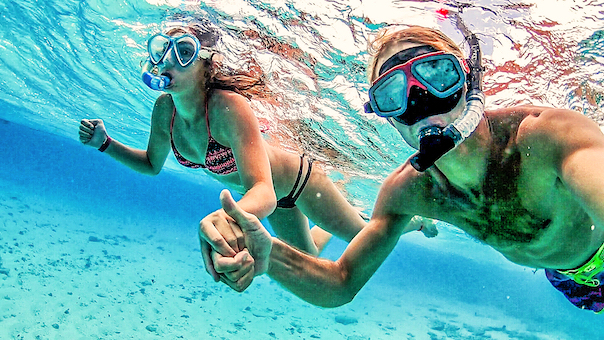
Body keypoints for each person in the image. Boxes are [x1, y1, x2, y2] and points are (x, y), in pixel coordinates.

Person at [203, 24, 604, 314]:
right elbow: (340, 283)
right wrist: (270, 255)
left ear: (467, 78)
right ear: (384, 114)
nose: (420, 99)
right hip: (564, 278)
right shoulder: (408, 192)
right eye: (393, 92)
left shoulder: (548, 137)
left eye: (436, 73)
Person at [78, 22, 439, 279]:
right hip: (268, 199)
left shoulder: (227, 107)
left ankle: (413, 221)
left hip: (296, 182)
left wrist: (229, 216)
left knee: (360, 235)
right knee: (309, 257)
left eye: (184, 52)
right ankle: (345, 209)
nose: (168, 61)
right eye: (163, 51)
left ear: (205, 62)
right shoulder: (164, 110)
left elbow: (262, 190)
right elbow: (152, 164)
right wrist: (105, 145)